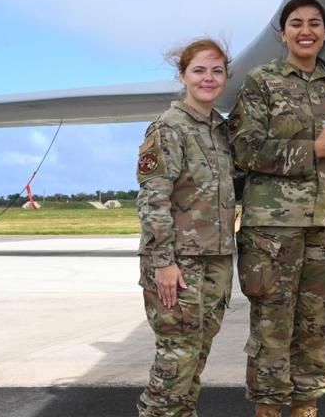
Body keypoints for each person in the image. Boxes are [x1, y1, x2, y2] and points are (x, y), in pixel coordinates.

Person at [229, 0, 325, 417]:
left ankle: (306, 409)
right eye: (296, 23)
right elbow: (244, 149)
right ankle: (267, 409)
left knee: (317, 329)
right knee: (273, 327)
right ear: (282, 34)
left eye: (314, 23)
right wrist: (311, 151)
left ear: (324, 33)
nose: (306, 30)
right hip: (273, 230)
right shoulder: (260, 82)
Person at [136, 38, 236, 416]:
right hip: (179, 265)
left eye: (216, 71)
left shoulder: (219, 131)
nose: (208, 78)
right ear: (183, 76)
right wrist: (163, 262)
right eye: (199, 70)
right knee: (175, 360)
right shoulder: (168, 128)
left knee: (195, 358)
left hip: (215, 262)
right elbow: (152, 199)